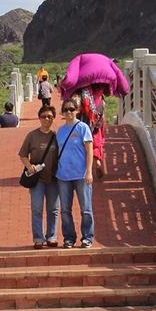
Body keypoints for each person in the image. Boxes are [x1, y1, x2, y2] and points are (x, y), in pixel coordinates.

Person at [18, 105, 59, 248]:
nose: (47, 119)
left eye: (49, 117)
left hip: (53, 178)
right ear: (39, 118)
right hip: (37, 179)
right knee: (37, 208)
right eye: (44, 116)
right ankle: (38, 238)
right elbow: (23, 154)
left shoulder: (57, 136)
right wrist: (30, 167)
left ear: (53, 118)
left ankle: (52, 236)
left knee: (53, 209)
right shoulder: (32, 136)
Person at [56, 96, 94, 248]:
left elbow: (89, 150)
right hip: (63, 175)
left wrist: (89, 171)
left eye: (71, 109)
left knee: (86, 208)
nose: (69, 112)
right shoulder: (60, 131)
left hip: (81, 174)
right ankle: (69, 238)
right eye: (66, 110)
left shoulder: (82, 128)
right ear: (63, 113)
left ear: (77, 111)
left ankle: (87, 237)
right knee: (65, 210)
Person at [79, 84, 107, 177]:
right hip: (99, 120)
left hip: (86, 120)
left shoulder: (85, 91)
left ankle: (86, 168)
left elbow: (83, 106)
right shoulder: (101, 92)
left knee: (85, 142)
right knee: (97, 141)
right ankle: (98, 161)